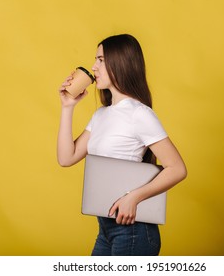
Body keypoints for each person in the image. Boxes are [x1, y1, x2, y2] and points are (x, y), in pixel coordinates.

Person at [57, 34, 187, 256]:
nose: (93, 67)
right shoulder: (101, 115)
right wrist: (67, 107)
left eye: (100, 60)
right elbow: (66, 158)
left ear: (120, 63)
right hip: (106, 229)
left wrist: (133, 197)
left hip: (134, 230)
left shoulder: (139, 114)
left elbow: (177, 169)